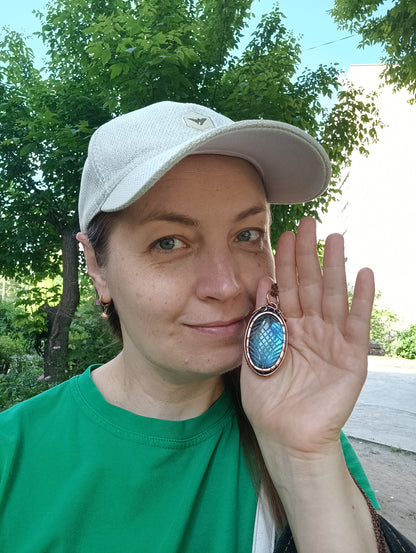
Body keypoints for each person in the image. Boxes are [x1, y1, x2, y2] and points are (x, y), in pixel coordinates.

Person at [0, 101, 414, 553]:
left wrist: (304, 457)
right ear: (97, 265)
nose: (227, 283)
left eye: (247, 235)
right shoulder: (13, 457)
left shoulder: (297, 430)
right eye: (169, 242)